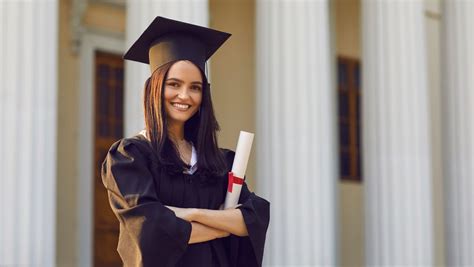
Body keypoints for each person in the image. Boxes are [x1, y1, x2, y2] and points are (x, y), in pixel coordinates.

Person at [101, 16, 270, 267]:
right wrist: (224, 223)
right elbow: (150, 229)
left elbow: (253, 218)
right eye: (174, 84)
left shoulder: (220, 161)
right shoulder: (130, 157)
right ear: (155, 89)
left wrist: (190, 215)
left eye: (195, 87)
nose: (184, 95)